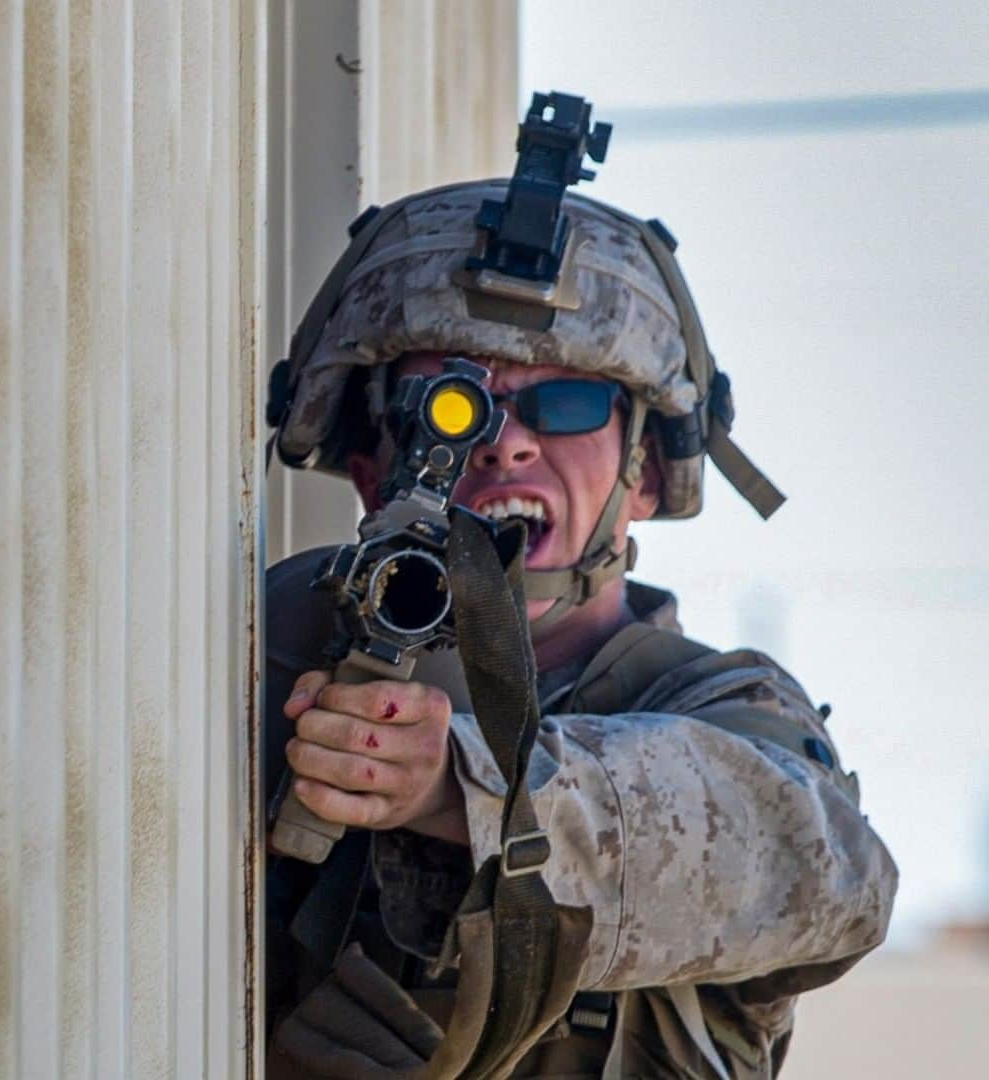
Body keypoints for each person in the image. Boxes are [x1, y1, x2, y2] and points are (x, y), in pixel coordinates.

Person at [263, 108, 897, 1078]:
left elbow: (830, 873)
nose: (507, 443)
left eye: (568, 404)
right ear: (364, 457)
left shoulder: (720, 711)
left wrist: (461, 785)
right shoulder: (259, 649)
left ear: (642, 477)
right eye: (453, 401)